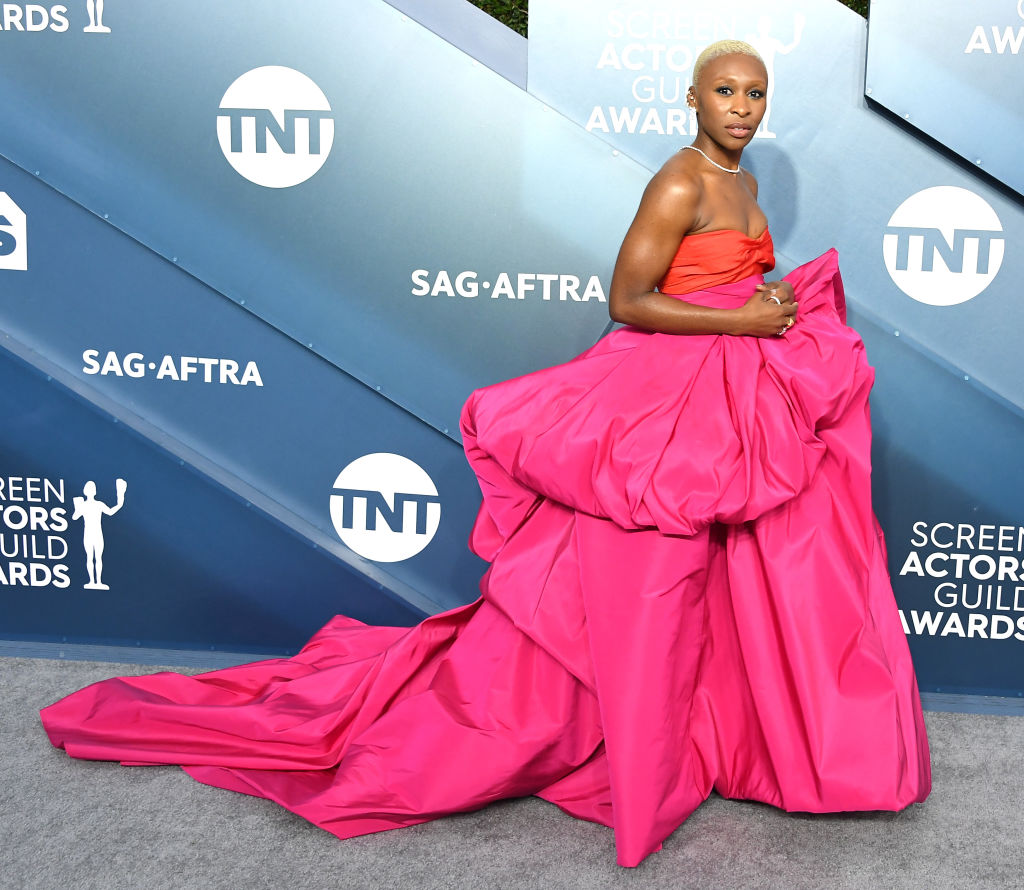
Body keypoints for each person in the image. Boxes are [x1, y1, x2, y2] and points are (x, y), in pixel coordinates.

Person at [40, 41, 930, 869]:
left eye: (756, 94)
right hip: (660, 403)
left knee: (734, 576)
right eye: (726, 91)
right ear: (692, 98)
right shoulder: (680, 182)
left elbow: (720, 279)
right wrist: (745, 316)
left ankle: (708, 740)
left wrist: (765, 304)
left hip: (722, 397)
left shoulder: (738, 183)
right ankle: (613, 742)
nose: (741, 107)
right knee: (643, 584)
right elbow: (627, 298)